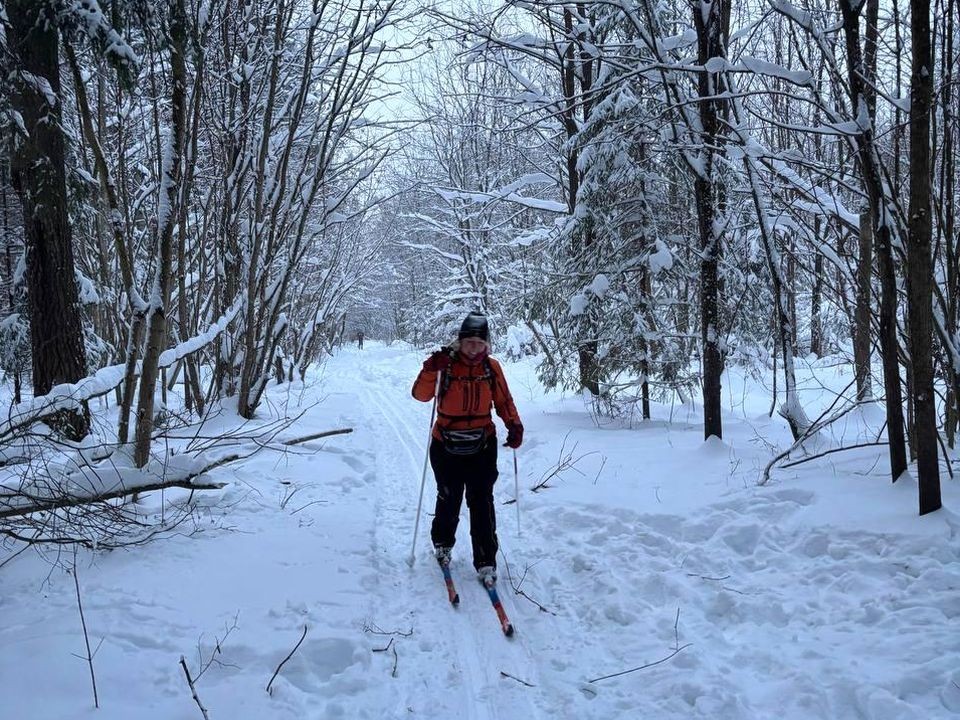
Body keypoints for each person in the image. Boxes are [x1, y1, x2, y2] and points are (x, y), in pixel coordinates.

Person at [411, 311, 523, 588]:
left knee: (481, 500)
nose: (474, 347)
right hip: (446, 443)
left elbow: (504, 400)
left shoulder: (491, 368)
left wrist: (514, 424)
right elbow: (420, 395)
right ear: (460, 342)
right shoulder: (444, 365)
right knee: (449, 497)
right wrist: (429, 370)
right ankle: (443, 543)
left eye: (479, 342)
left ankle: (486, 559)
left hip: (482, 444)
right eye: (469, 342)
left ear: (486, 345)